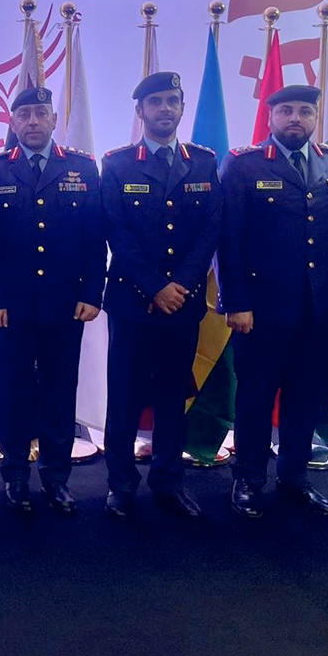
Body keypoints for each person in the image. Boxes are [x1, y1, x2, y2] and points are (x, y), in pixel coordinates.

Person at [219, 84, 328, 518]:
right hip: (261, 311)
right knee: (255, 399)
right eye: (286, 111)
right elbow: (229, 240)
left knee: (306, 398)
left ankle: (295, 479)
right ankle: (248, 478)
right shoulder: (243, 164)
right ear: (271, 117)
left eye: (304, 111)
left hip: (319, 311)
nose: (295, 118)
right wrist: (236, 302)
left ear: (316, 116)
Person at [0, 86, 105, 514]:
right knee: (11, 389)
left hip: (65, 304)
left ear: (53, 119)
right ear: (12, 122)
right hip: (10, 308)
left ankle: (56, 477)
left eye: (40, 113)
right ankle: (14, 473)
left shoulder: (82, 168)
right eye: (24, 114)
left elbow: (95, 236)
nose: (32, 121)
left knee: (59, 389)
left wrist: (92, 292)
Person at [100, 71, 222, 519]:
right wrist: (154, 287)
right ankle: (120, 485)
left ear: (182, 108)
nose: (165, 109)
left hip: (183, 305)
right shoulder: (117, 164)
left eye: (172, 101)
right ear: (140, 111)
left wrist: (180, 286)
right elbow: (116, 232)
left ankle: (169, 481)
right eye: (156, 102)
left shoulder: (204, 162)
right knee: (125, 397)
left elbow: (211, 230)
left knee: (173, 396)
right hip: (133, 304)